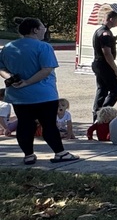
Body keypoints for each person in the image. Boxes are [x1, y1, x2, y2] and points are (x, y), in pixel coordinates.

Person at [0, 18, 79, 165]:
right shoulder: (44, 47)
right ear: (35, 30)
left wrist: (11, 78)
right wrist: (28, 82)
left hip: (18, 96)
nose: (45, 30)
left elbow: (1, 68)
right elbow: (46, 69)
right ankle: (60, 153)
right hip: (43, 94)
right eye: (43, 27)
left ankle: (28, 155)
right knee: (48, 124)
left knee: (24, 125)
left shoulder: (9, 47)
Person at [92, 10, 117, 120]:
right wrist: (116, 71)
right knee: (115, 90)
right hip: (105, 65)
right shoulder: (105, 34)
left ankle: (97, 115)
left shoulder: (99, 31)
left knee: (102, 90)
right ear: (111, 19)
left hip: (99, 64)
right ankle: (103, 113)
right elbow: (107, 53)